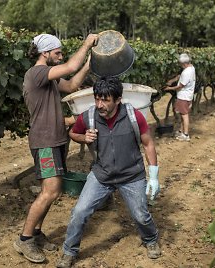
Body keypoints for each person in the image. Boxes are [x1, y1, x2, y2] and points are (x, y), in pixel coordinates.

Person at [56, 77, 161, 268]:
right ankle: (69, 251)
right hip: (101, 175)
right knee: (79, 212)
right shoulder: (88, 116)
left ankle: (151, 239)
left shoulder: (133, 116)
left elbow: (148, 144)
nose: (100, 104)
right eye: (97, 99)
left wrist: (153, 175)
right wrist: (83, 137)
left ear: (118, 99)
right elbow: (73, 133)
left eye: (105, 100)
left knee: (140, 215)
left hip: (131, 176)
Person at [14, 33, 99, 264]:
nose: (61, 57)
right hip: (45, 143)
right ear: (45, 53)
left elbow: (72, 84)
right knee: (50, 191)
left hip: (56, 139)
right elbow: (71, 65)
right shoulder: (37, 73)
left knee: (52, 190)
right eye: (58, 53)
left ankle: (37, 233)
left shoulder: (48, 78)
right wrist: (87, 43)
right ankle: (24, 239)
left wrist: (90, 63)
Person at [164, 53, 196, 141]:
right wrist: (172, 80)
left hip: (184, 96)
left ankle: (185, 135)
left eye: (181, 64)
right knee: (183, 114)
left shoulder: (187, 72)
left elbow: (180, 86)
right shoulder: (191, 67)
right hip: (188, 95)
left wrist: (169, 88)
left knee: (184, 115)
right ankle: (181, 131)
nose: (180, 65)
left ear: (184, 64)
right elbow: (180, 76)